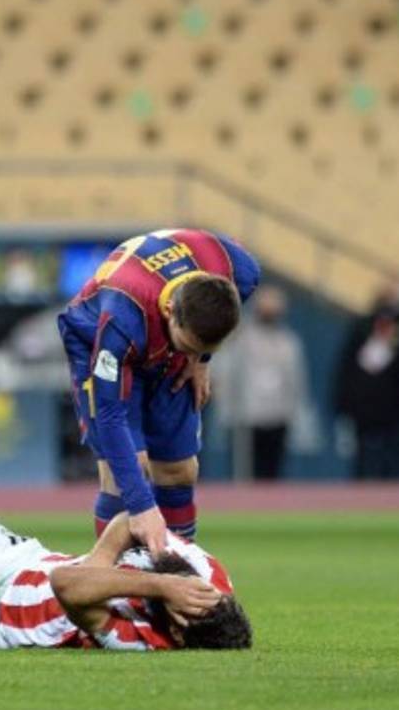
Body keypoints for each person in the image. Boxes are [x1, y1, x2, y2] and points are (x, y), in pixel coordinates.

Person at [0, 477, 252, 651]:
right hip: (10, 555)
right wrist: (102, 560)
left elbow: (67, 583)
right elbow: (131, 521)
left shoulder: (143, 643)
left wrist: (161, 588)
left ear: (178, 637)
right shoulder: (206, 570)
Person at [57, 229, 261, 553]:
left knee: (179, 469)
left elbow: (199, 333)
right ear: (170, 314)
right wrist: (142, 508)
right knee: (125, 472)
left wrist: (200, 358)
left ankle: (175, 574)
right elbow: (111, 416)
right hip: (94, 342)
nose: (194, 353)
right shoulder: (121, 321)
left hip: (162, 346)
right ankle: (121, 584)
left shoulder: (239, 271)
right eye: (190, 347)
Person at [333, 283, 399, 479]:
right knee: (363, 462)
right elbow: (346, 367)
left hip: (396, 409)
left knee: (396, 463)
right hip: (364, 406)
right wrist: (343, 404)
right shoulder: (362, 327)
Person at [212, 286, 309, 480]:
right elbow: (224, 372)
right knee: (245, 473)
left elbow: (296, 381)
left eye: (275, 309)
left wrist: (295, 413)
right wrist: (227, 410)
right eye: (266, 308)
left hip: (277, 417)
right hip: (246, 417)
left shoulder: (288, 342)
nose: (270, 313)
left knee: (272, 473)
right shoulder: (241, 338)